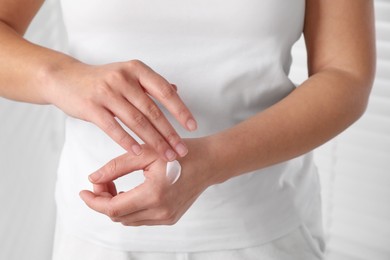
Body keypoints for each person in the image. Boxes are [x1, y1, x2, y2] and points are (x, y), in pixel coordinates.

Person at [0, 0, 375, 259]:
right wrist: (59, 77)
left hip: (264, 229)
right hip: (100, 235)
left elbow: (346, 73)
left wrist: (214, 161)